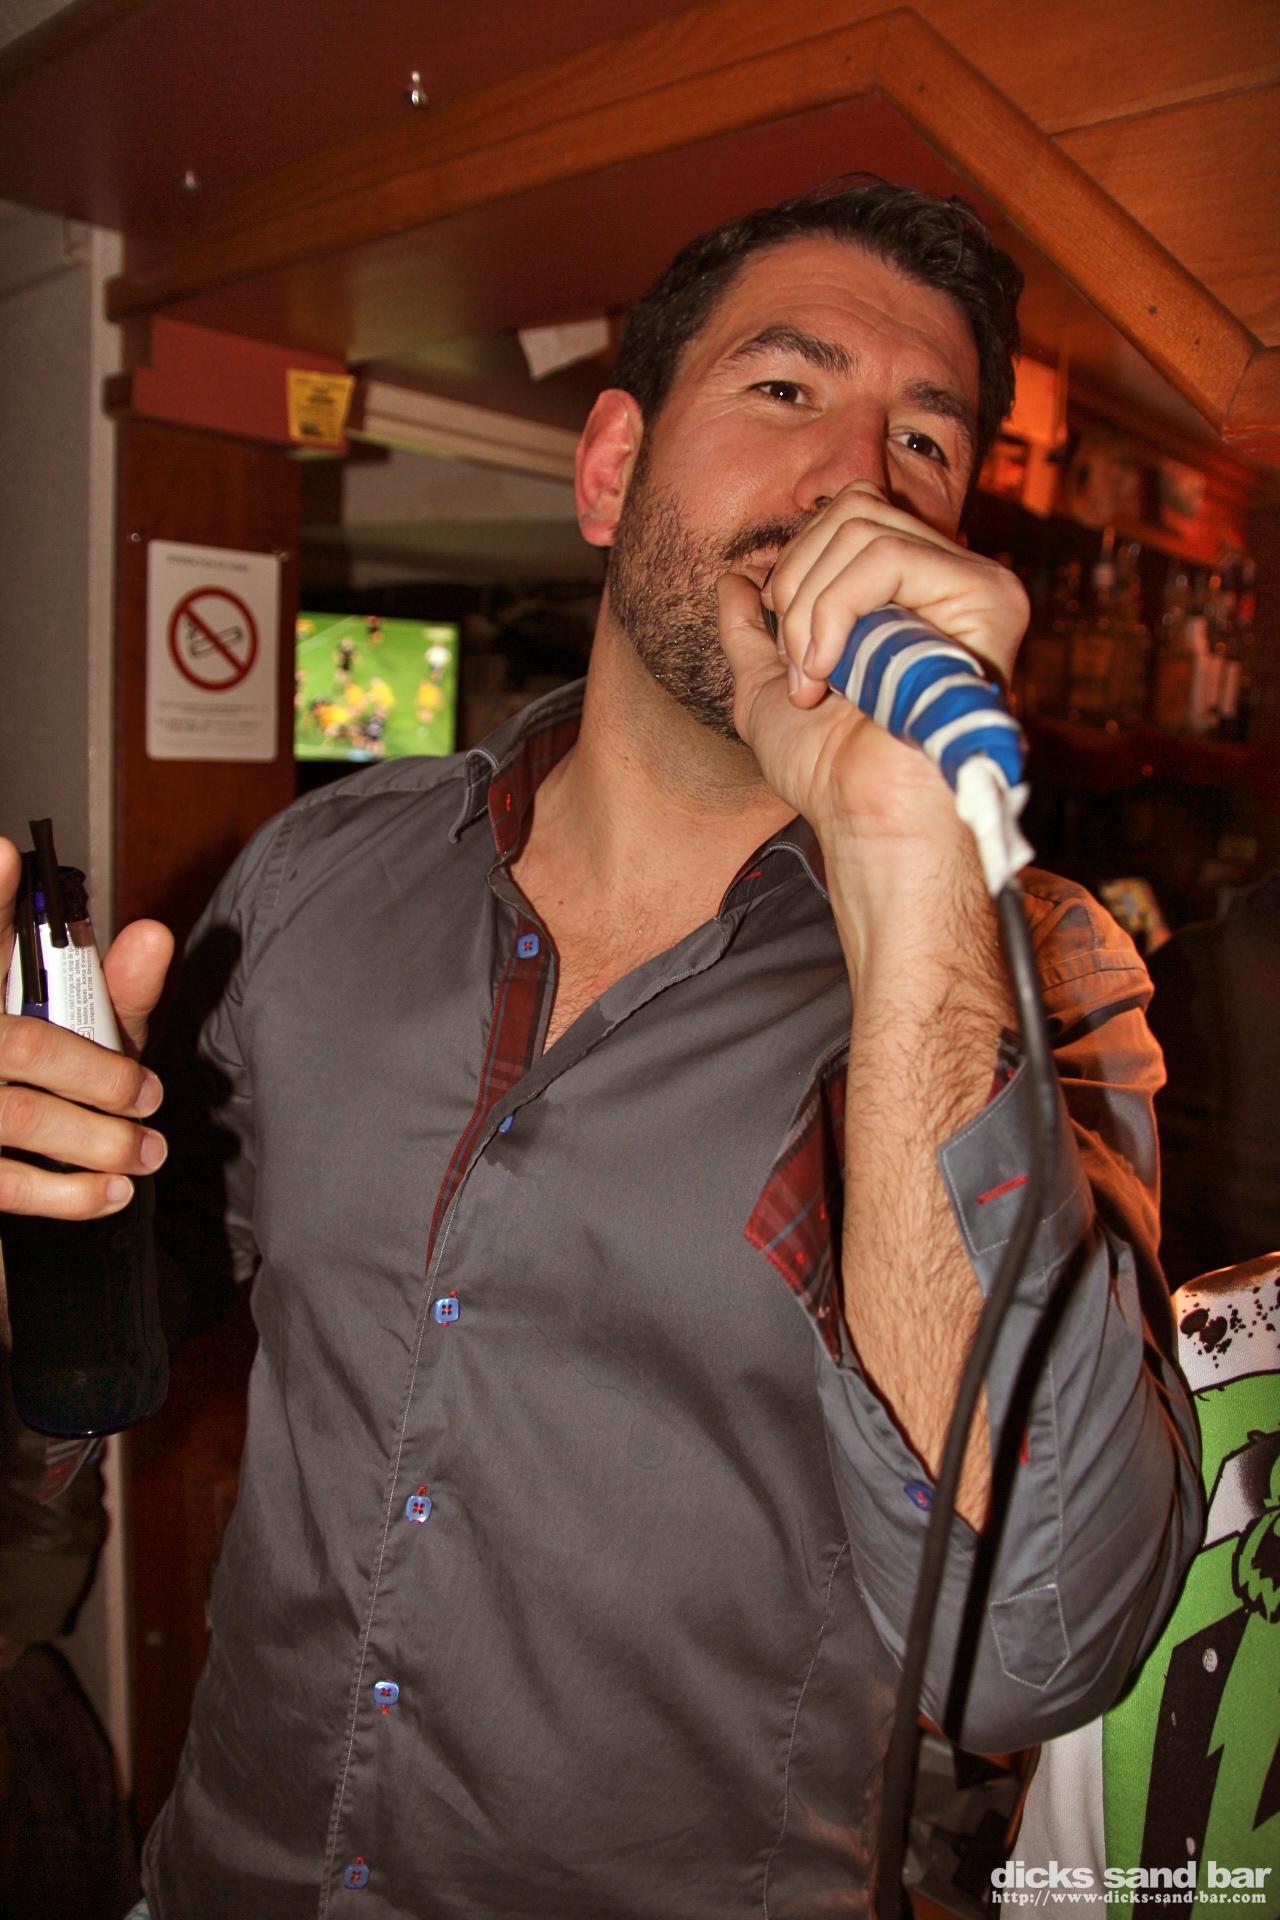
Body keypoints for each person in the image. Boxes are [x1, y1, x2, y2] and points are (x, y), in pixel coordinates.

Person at [0, 180, 1201, 1918]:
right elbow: (127, 1322)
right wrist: (45, 1193)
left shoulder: (1040, 975)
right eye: (785, 388)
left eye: (926, 445)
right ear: (612, 467)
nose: (856, 481)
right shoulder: (319, 873)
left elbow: (1034, 1646)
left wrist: (906, 861)